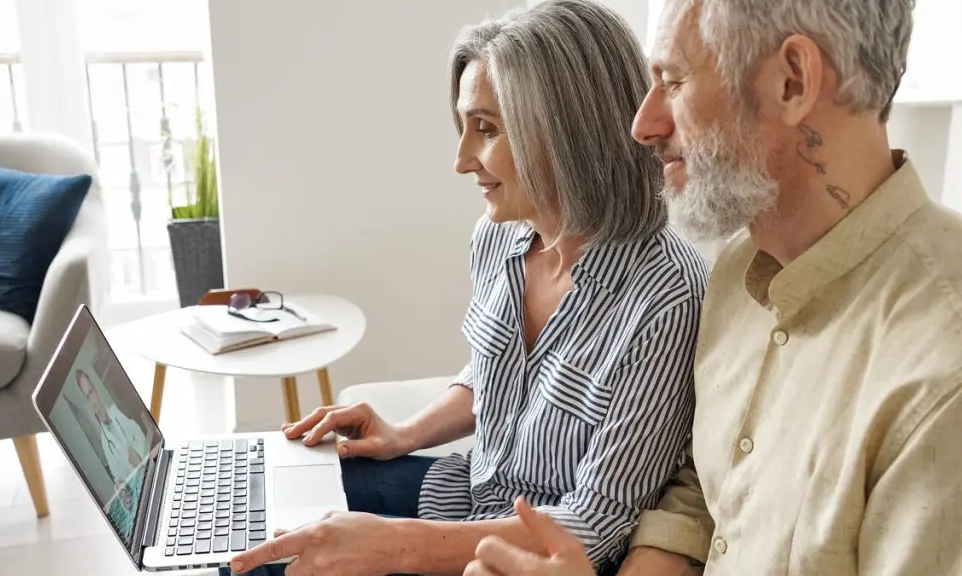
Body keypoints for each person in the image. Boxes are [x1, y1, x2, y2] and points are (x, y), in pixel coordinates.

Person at [469, 0, 962, 574]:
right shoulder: (734, 273)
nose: (642, 125)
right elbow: (705, 499)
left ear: (792, 81)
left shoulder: (940, 378)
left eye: (673, 83)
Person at [225, 1, 708, 575]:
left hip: (529, 560)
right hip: (464, 500)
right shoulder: (498, 239)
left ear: (568, 131)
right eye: (464, 127)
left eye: (486, 129)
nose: (460, 161)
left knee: (269, 565)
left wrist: (391, 543)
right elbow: (493, 371)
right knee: (257, 517)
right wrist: (402, 433)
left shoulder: (666, 297)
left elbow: (594, 525)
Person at [75, 368, 151, 485]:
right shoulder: (105, 444)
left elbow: (138, 432)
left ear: (95, 391)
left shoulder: (117, 410)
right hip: (141, 484)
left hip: (150, 466)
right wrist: (119, 485)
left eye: (90, 392)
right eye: (86, 397)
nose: (91, 400)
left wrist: (137, 453)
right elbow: (119, 478)